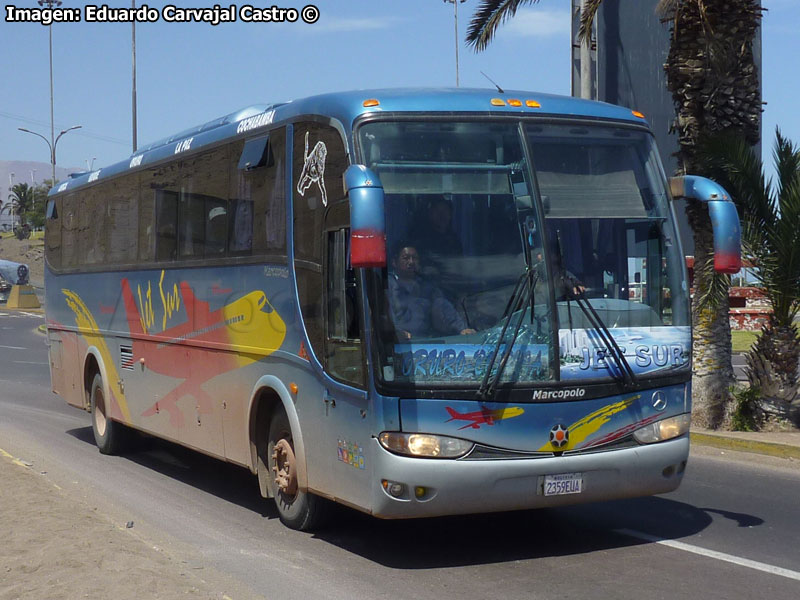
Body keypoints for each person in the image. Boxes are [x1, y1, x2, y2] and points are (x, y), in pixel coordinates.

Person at [387, 243, 476, 340]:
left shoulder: (427, 286)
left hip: (425, 345)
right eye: (406, 258)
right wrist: (396, 332)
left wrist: (462, 329)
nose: (411, 262)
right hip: (397, 345)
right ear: (394, 262)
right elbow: (385, 316)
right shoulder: (388, 285)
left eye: (415, 258)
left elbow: (442, 306)